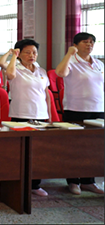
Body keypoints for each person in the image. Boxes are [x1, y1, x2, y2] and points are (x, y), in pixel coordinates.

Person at [0, 39, 51, 197]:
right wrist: (12, 56)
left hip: (40, 115)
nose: (31, 55)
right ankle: (17, 182)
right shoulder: (15, 68)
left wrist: (49, 115)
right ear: (19, 53)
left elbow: (46, 94)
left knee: (38, 152)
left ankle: (35, 184)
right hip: (21, 114)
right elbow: (8, 72)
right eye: (27, 52)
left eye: (34, 52)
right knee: (19, 153)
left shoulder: (41, 71)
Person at [55, 32, 104, 195]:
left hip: (97, 110)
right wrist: (69, 53)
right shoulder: (71, 61)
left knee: (94, 148)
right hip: (76, 110)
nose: (89, 45)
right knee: (74, 148)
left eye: (92, 42)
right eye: (85, 42)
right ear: (75, 45)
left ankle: (88, 181)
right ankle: (73, 180)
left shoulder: (98, 63)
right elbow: (60, 73)